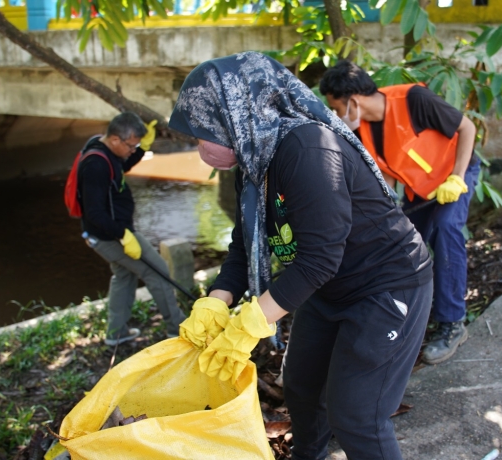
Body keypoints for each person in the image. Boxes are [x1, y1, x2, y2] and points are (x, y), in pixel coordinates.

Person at [170, 52, 433, 460]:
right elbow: (245, 244)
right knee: (302, 387)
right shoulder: (254, 159)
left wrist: (251, 323)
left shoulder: (308, 150)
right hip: (327, 288)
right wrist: (216, 301)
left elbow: (320, 257)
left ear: (234, 119)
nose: (199, 148)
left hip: (385, 285)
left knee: (358, 416)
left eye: (202, 134)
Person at [319, 60, 480, 365]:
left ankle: (453, 324)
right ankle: (401, 317)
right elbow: (387, 175)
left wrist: (457, 178)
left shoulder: (412, 101)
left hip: (457, 173)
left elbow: (467, 128)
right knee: (400, 242)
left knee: (446, 229)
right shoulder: (363, 130)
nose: (337, 116)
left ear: (353, 101)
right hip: (423, 191)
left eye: (336, 108)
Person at [77, 112, 186, 345]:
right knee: (157, 271)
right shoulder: (95, 166)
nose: (132, 150)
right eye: (131, 145)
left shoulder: (106, 149)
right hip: (110, 236)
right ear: (115, 139)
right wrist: (123, 235)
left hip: (112, 233)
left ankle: (116, 333)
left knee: (124, 276)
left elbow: (122, 164)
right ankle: (177, 329)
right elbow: (94, 213)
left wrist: (140, 149)